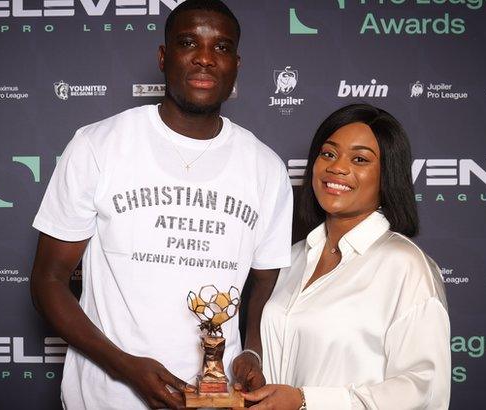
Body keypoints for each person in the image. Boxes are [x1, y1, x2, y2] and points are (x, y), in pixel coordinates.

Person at [29, 1, 292, 409]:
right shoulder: (98, 145)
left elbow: (262, 292)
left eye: (220, 48)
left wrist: (251, 354)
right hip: (106, 396)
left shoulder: (267, 168)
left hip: (213, 401)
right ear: (164, 56)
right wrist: (124, 366)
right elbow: (48, 281)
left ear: (236, 64)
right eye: (189, 42)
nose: (205, 58)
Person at [241, 104, 451, 409]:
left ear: (387, 175)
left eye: (360, 159)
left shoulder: (406, 266)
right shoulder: (293, 258)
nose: (337, 168)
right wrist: (253, 363)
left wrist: (305, 401)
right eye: (328, 154)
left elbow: (423, 390)